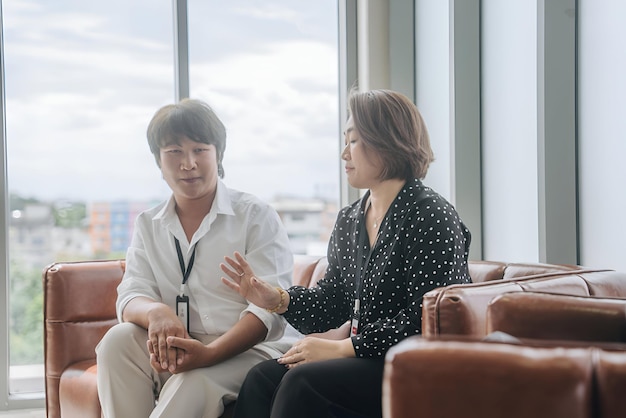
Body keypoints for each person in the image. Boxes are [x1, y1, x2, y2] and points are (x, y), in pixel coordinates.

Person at [221, 88, 472, 418]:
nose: (344, 153)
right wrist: (277, 299)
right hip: (364, 359)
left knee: (302, 383)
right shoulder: (350, 219)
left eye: (353, 141)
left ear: (386, 141)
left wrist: (343, 348)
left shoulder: (431, 215)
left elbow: (427, 321)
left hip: (412, 365)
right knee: (262, 378)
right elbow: (334, 301)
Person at [95, 98, 296, 418]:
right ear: (159, 161)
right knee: (117, 342)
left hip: (249, 351)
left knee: (192, 381)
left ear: (219, 154)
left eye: (200, 150)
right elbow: (131, 293)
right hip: (181, 345)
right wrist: (157, 312)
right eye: (174, 151)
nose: (187, 163)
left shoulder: (255, 215)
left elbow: (268, 311)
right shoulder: (149, 224)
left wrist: (209, 354)